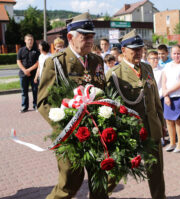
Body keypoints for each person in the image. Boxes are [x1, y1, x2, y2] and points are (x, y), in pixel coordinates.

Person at [37, 13, 109, 199]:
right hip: (70, 135)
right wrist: (64, 127)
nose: (90, 41)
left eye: (92, 36)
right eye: (85, 37)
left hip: (96, 133)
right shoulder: (56, 62)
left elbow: (103, 93)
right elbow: (43, 102)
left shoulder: (96, 61)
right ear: (70, 37)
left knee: (100, 181)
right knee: (70, 183)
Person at [105, 29, 166, 199]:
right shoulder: (115, 74)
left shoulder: (146, 67)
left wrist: (161, 122)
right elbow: (110, 107)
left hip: (151, 126)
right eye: (134, 50)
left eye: (140, 49)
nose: (139, 52)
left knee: (156, 168)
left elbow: (154, 98)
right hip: (130, 131)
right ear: (123, 51)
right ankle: (100, 195)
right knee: (118, 168)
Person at [162, 45, 180, 153]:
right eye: (174, 53)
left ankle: (179, 144)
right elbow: (163, 81)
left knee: (178, 120)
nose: (176, 55)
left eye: (178, 53)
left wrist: (167, 92)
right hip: (168, 97)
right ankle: (172, 142)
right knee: (168, 120)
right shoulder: (168, 65)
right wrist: (166, 95)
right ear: (171, 54)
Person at [147, 51, 167, 146]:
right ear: (148, 60)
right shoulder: (146, 70)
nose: (155, 60)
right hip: (150, 98)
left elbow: (163, 85)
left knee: (160, 118)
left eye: (156, 58)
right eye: (153, 58)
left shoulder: (162, 70)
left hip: (160, 97)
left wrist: (159, 96)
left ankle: (162, 137)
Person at [17, 34, 40, 112]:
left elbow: (38, 63)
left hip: (34, 75)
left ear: (33, 41)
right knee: (24, 91)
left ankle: (36, 105)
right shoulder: (21, 50)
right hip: (23, 74)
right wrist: (25, 71)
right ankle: (24, 107)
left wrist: (29, 70)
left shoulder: (37, 51)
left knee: (35, 91)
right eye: (28, 39)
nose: (30, 41)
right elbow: (18, 61)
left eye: (31, 40)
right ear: (25, 40)